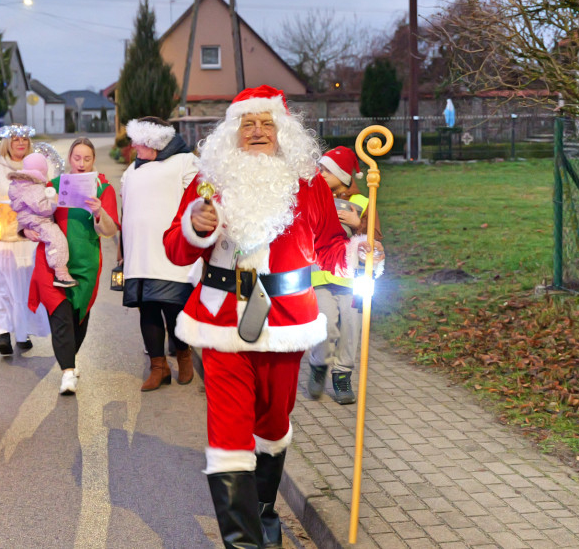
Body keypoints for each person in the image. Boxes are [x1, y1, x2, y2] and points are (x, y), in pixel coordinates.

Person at [163, 85, 360, 548]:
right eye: (247, 124)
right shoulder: (208, 182)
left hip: (286, 321)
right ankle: (245, 542)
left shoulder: (308, 182)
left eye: (265, 123)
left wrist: (358, 254)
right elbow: (174, 247)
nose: (256, 132)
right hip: (220, 322)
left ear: (282, 131)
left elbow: (331, 246)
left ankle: (264, 509)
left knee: (273, 423)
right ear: (233, 133)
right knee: (229, 431)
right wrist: (195, 225)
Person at [28, 137, 120, 395]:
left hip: (86, 264)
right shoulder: (53, 186)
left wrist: (100, 212)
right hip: (51, 263)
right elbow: (30, 217)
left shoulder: (104, 189)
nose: (81, 164)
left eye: (87, 159)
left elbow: (110, 230)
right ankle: (68, 372)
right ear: (69, 159)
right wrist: (28, 230)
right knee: (60, 315)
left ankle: (69, 359)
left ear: (93, 160)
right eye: (76, 158)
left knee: (78, 317)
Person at [120, 117, 199, 391]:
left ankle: (183, 356)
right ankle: (158, 366)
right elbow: (126, 209)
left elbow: (198, 201)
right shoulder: (131, 170)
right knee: (148, 309)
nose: (134, 147)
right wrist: (122, 249)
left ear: (154, 142)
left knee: (174, 308)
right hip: (138, 253)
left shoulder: (184, 162)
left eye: (139, 142)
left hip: (170, 251)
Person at [306, 146, 384, 405]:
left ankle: (342, 375)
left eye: (328, 170)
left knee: (351, 326)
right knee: (325, 324)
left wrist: (357, 224)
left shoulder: (362, 203)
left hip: (352, 278)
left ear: (344, 175)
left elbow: (375, 239)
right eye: (321, 168)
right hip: (320, 274)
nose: (322, 173)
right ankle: (318, 364)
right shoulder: (316, 197)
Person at [0, 125, 51, 355]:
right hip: (0, 239)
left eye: (25, 140)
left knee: (25, 289)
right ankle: (3, 334)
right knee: (1, 288)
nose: (21, 143)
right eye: (16, 139)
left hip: (26, 239)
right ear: (8, 143)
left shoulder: (36, 170)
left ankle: (23, 333)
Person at [7, 152, 76, 287]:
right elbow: (44, 208)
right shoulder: (34, 187)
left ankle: (59, 271)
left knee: (53, 237)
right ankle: (60, 273)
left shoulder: (21, 185)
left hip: (29, 219)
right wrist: (54, 200)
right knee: (56, 238)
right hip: (38, 219)